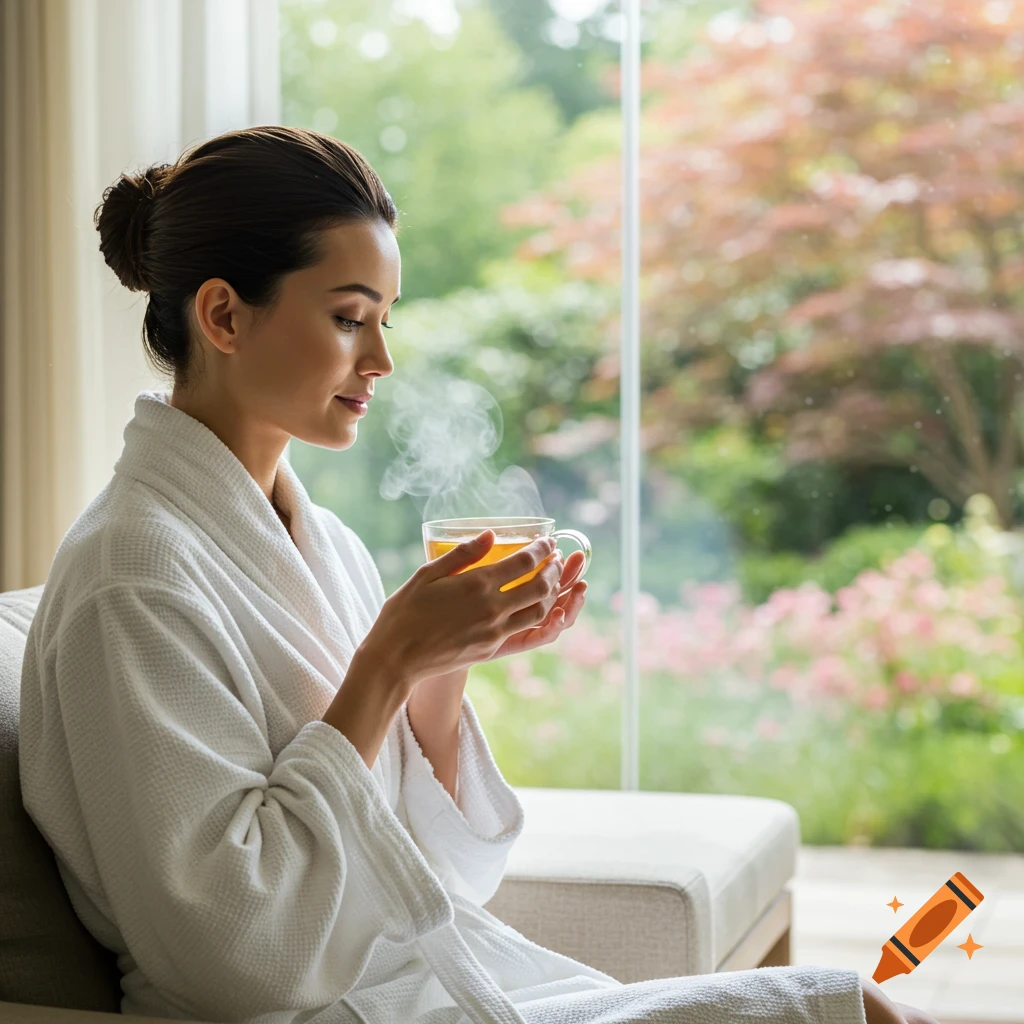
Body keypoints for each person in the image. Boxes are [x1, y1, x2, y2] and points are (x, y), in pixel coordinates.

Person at [18, 126, 936, 1024]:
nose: (380, 360)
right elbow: (236, 961)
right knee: (851, 1008)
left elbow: (440, 877)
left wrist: (438, 673)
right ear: (222, 315)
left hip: (425, 991)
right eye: (347, 319)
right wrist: (385, 662)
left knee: (859, 1007)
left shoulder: (317, 539)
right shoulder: (131, 579)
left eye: (384, 319)